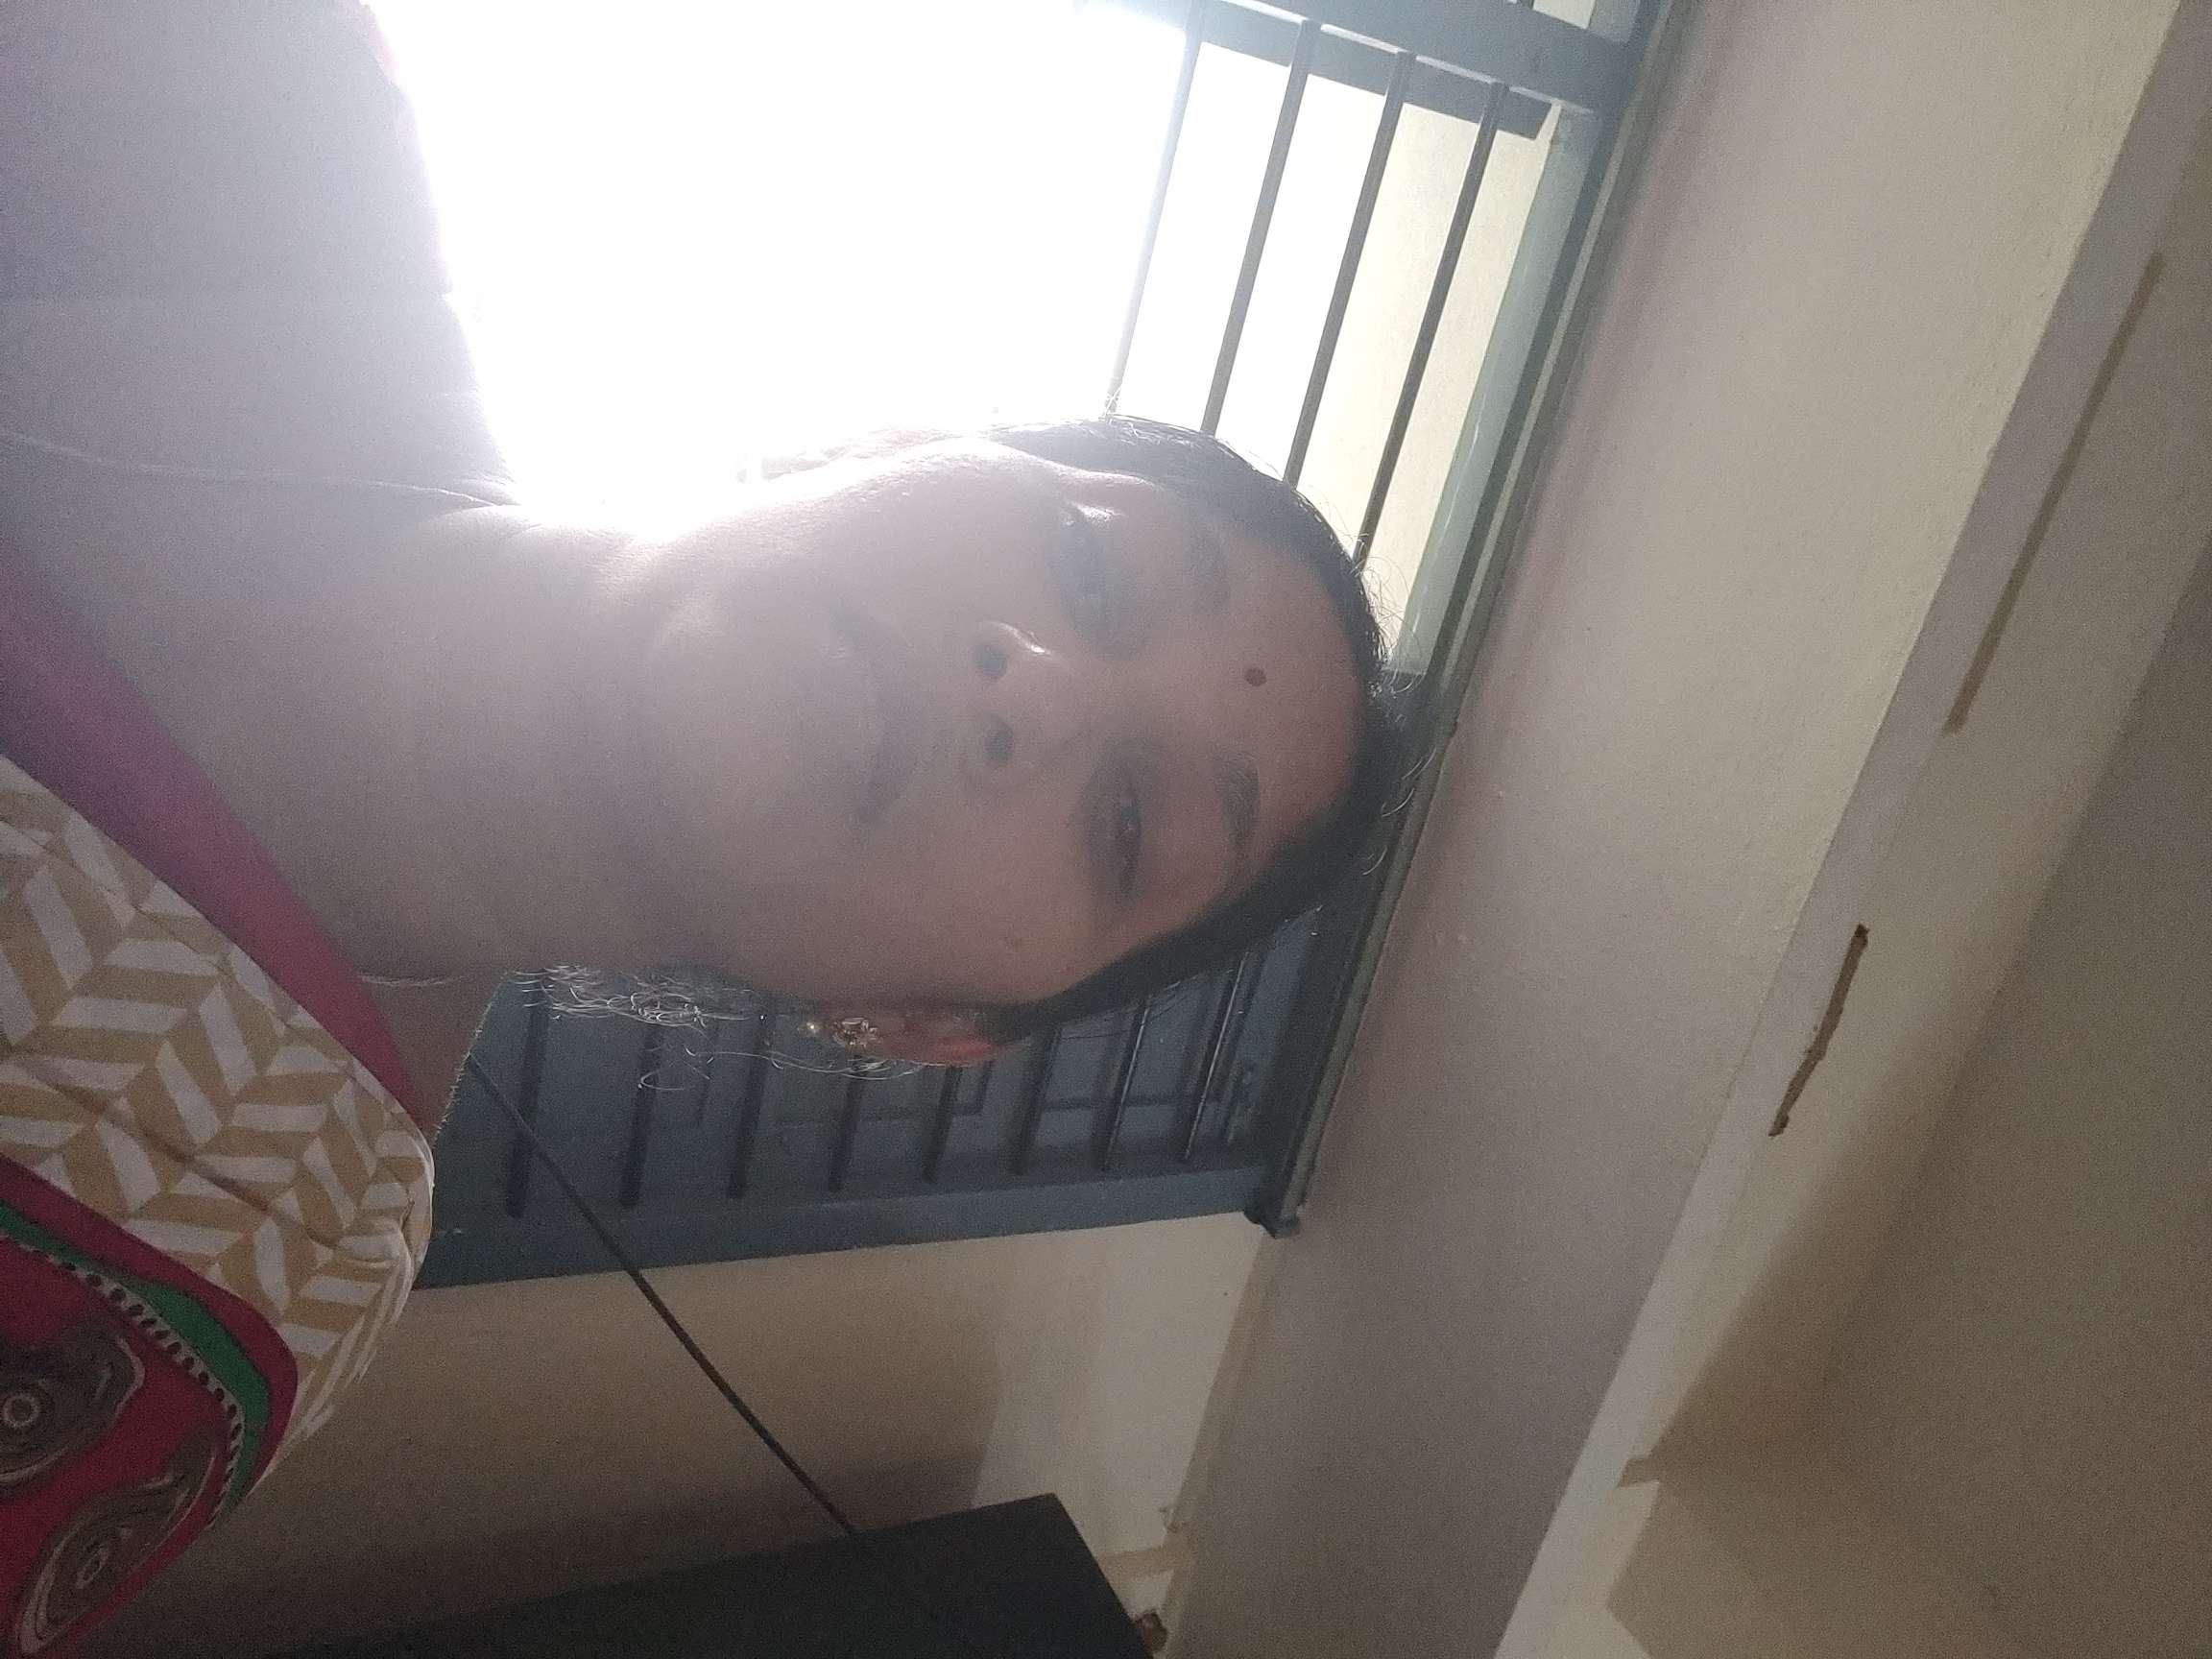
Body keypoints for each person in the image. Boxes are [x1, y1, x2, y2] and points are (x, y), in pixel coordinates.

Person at [0, 3, 1395, 1650]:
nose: (1035, 689)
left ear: (929, 1028)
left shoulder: (236, 1269)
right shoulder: (240, 113)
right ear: (892, 438)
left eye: (1130, 823)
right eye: (1093, 568)